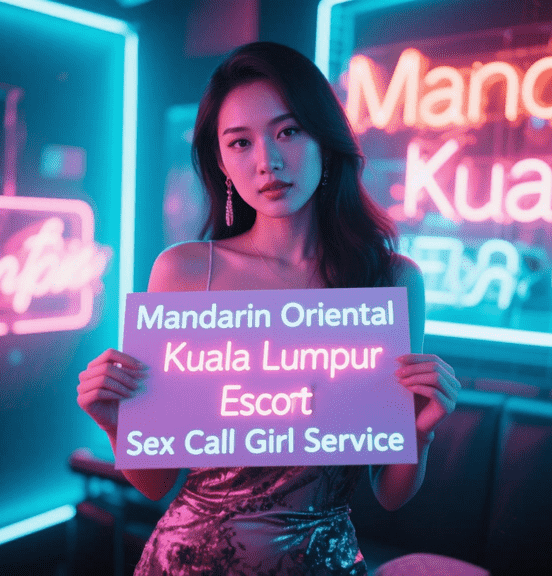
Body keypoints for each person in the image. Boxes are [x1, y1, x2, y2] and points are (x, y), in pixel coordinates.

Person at [77, 42, 460, 575]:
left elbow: (391, 494)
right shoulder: (184, 272)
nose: (267, 161)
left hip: (321, 563)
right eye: (240, 142)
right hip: (188, 563)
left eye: (288, 131)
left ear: (324, 137)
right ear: (222, 163)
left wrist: (420, 429)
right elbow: (158, 483)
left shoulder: (390, 282)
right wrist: (115, 423)